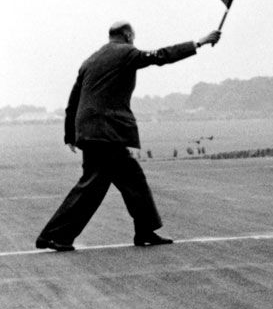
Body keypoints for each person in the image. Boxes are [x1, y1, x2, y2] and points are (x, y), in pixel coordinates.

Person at [35, 22, 221, 252]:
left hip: (91, 131)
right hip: (107, 132)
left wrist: (70, 135)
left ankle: (144, 231)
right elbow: (161, 56)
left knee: (132, 180)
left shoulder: (90, 60)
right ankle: (54, 236)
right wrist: (199, 42)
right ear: (128, 35)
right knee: (93, 186)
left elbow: (73, 101)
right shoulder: (126, 53)